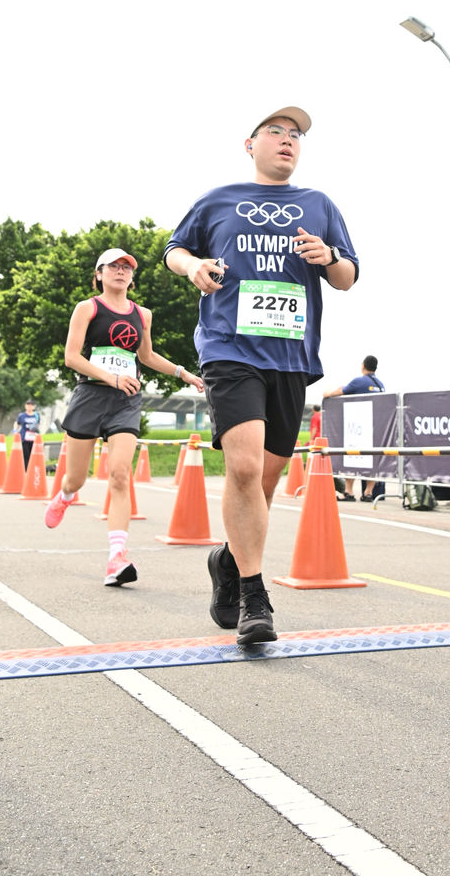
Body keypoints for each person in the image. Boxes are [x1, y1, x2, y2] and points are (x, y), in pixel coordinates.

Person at [164, 105, 359, 646]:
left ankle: (228, 560)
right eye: (276, 131)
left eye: (296, 134)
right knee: (245, 469)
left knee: (264, 483)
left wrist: (328, 256)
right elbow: (175, 250)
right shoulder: (219, 199)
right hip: (229, 349)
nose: (287, 140)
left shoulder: (318, 205)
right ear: (250, 144)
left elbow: (347, 277)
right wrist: (194, 266)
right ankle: (254, 596)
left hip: (290, 358)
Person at [44, 248, 202, 587]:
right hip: (90, 396)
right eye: (113, 266)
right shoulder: (87, 308)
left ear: (132, 277)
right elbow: (71, 357)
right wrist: (110, 377)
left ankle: (117, 558)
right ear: (99, 274)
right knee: (76, 479)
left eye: (126, 267)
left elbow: (146, 356)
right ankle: (65, 495)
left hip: (126, 400)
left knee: (119, 475)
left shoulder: (142, 314)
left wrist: (183, 373)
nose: (120, 271)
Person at [324, 355, 385, 501]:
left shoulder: (359, 381)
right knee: (372, 460)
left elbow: (341, 391)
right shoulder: (381, 384)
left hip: (357, 428)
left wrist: (327, 394)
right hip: (375, 428)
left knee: (351, 456)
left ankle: (348, 492)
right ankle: (368, 493)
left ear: (363, 366)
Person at [14, 399, 41, 469]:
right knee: (25, 455)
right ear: (25, 406)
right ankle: (26, 470)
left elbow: (38, 425)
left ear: (34, 407)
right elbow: (17, 423)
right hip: (24, 438)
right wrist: (15, 431)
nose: (29, 406)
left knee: (33, 454)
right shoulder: (22, 415)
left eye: (31, 405)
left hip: (33, 438)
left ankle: (32, 469)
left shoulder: (36, 415)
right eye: (28, 405)